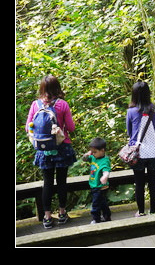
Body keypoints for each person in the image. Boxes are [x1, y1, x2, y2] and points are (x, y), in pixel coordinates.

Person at [25, 75, 77, 229]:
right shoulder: (62, 105)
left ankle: (47, 217)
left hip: (43, 150)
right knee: (62, 182)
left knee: (47, 183)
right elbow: (71, 127)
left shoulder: (36, 104)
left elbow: (28, 126)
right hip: (62, 148)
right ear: (57, 87)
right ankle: (62, 213)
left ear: (42, 88)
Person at [126, 80, 155, 217]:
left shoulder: (131, 112)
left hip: (138, 153)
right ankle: (153, 211)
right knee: (153, 183)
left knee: (139, 183)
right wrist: (154, 142)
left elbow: (130, 133)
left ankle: (141, 211)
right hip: (154, 152)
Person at [81, 137, 111, 224]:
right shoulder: (93, 157)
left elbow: (106, 170)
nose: (93, 154)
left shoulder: (105, 160)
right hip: (94, 184)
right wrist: (86, 155)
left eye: (95, 152)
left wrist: (105, 176)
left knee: (96, 203)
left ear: (102, 150)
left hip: (100, 186)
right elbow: (84, 159)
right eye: (92, 152)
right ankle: (107, 216)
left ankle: (96, 219)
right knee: (102, 203)